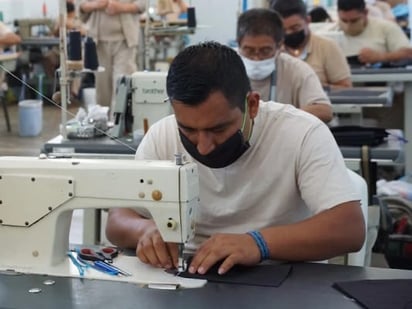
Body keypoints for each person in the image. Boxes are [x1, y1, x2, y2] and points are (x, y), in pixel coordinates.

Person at [105, 41, 365, 275]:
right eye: (189, 130)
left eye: (218, 129)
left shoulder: (301, 133)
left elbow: (349, 229)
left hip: (282, 275)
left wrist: (258, 243)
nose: (204, 147)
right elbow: (118, 220)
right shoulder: (162, 135)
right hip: (190, 273)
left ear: (251, 105)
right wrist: (145, 231)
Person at [237, 9, 333, 123]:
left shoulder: (296, 69)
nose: (256, 58)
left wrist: (279, 119)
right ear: (238, 44)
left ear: (279, 46)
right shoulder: (224, 67)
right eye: (249, 51)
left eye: (265, 51)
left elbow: (324, 110)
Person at [79, 0, 146, 116]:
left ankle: (119, 126)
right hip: (98, 42)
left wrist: (120, 7)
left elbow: (142, 4)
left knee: (122, 85)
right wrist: (96, 5)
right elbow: (81, 6)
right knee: (102, 89)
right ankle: (103, 123)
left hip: (125, 42)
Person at [271, 0, 352, 89]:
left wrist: (317, 89)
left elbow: (345, 87)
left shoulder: (327, 47)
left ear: (308, 21)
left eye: (295, 28)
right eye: (283, 30)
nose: (289, 33)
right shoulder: (273, 51)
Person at [336, 0, 412, 65]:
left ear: (365, 13)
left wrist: (380, 57)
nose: (348, 25)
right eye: (344, 20)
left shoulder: (386, 28)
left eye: (354, 21)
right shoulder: (331, 31)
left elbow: (408, 54)